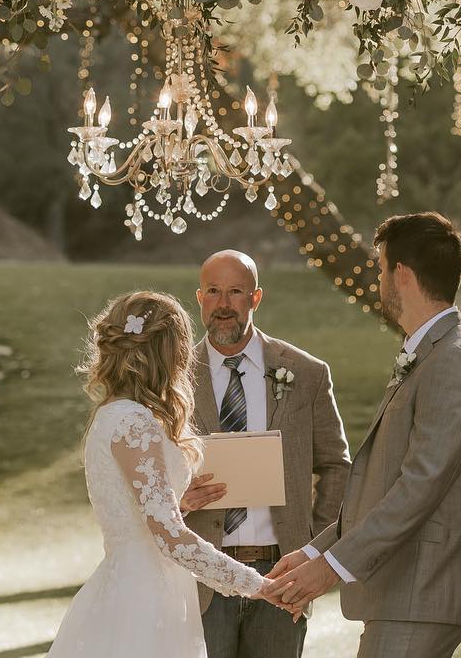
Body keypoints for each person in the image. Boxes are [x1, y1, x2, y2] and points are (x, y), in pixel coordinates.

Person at [264, 211, 461, 657]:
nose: (378, 281)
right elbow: (385, 484)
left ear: (403, 275)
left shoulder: (456, 361)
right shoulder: (432, 353)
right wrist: (316, 553)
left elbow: (418, 488)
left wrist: (330, 568)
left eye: (380, 269)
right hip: (404, 590)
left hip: (424, 588)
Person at [48, 291, 281, 658]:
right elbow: (170, 538)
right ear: (168, 353)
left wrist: (177, 502)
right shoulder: (135, 421)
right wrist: (255, 584)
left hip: (132, 584)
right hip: (144, 599)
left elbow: (136, 510)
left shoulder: (111, 414)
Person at [178, 250, 352, 658]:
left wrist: (315, 546)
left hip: (280, 576)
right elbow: (147, 469)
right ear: (199, 297)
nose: (223, 304)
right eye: (214, 292)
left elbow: (336, 466)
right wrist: (175, 498)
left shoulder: (306, 372)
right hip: (201, 575)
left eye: (235, 291)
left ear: (256, 298)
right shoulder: (174, 375)